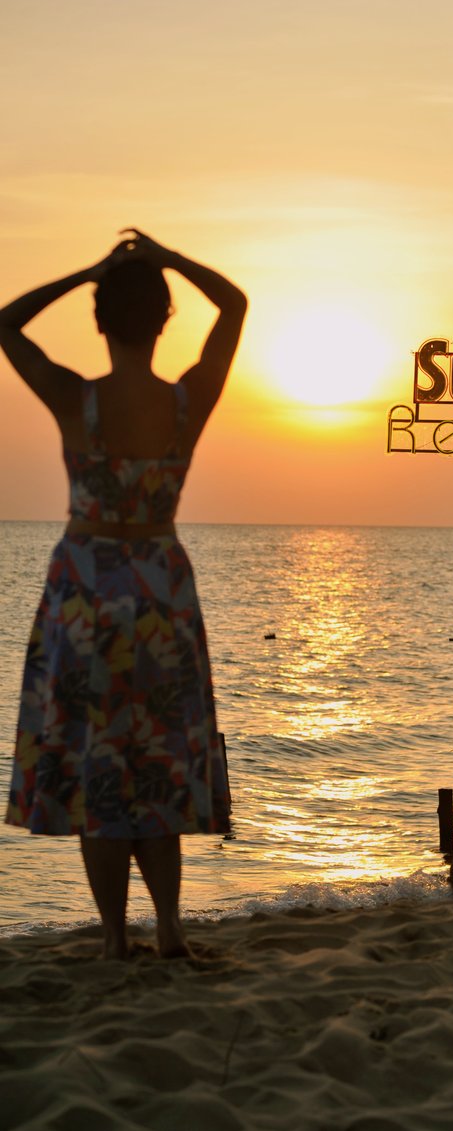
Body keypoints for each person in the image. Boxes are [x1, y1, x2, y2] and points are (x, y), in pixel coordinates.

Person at [0, 230, 247, 959]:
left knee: (96, 760)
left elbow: (6, 321)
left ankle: (115, 938)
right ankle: (169, 927)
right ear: (165, 319)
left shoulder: (78, 399)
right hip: (161, 584)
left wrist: (90, 271)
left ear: (100, 320)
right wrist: (166, 257)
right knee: (161, 756)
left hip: (84, 585)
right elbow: (234, 304)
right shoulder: (186, 400)